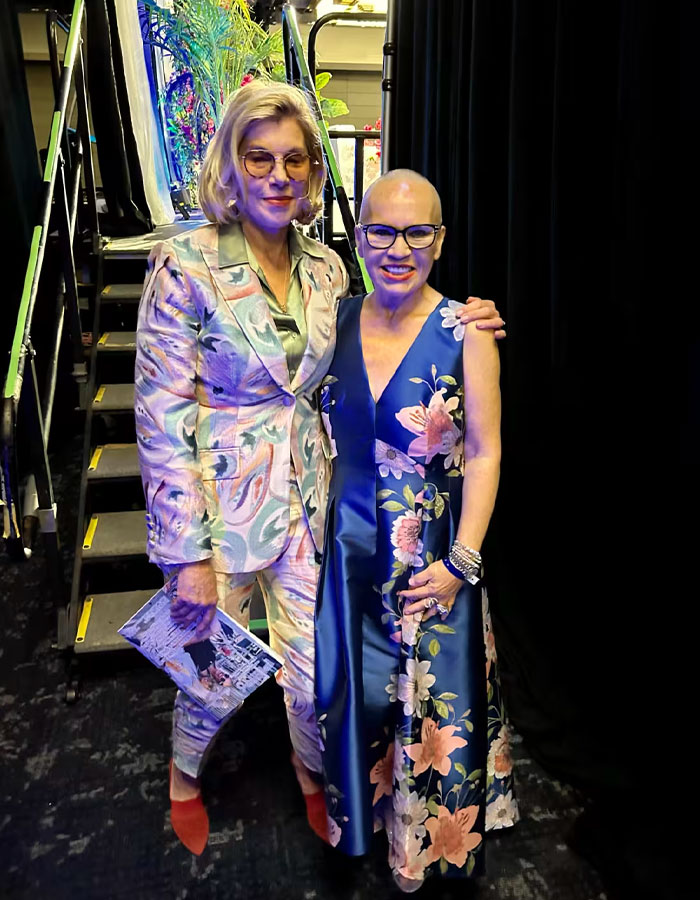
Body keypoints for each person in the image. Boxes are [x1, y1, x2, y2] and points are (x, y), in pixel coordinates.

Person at [134, 81, 505, 857]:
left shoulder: (329, 269)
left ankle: (315, 773)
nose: (277, 175)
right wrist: (185, 554)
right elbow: (161, 416)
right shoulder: (184, 263)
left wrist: (470, 319)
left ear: (310, 175)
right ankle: (183, 775)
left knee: (314, 677)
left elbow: (385, 333)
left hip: (314, 508)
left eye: (293, 160)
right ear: (231, 167)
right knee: (208, 666)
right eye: (258, 157)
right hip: (217, 511)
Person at [314, 170, 518, 892]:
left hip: (431, 557)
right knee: (357, 696)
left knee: (429, 709)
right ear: (359, 235)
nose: (398, 248)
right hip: (344, 556)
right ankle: (361, 826)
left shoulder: (465, 330)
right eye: (381, 231)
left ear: (439, 239)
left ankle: (425, 848)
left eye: (417, 232)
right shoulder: (331, 319)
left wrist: (463, 561)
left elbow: (488, 451)